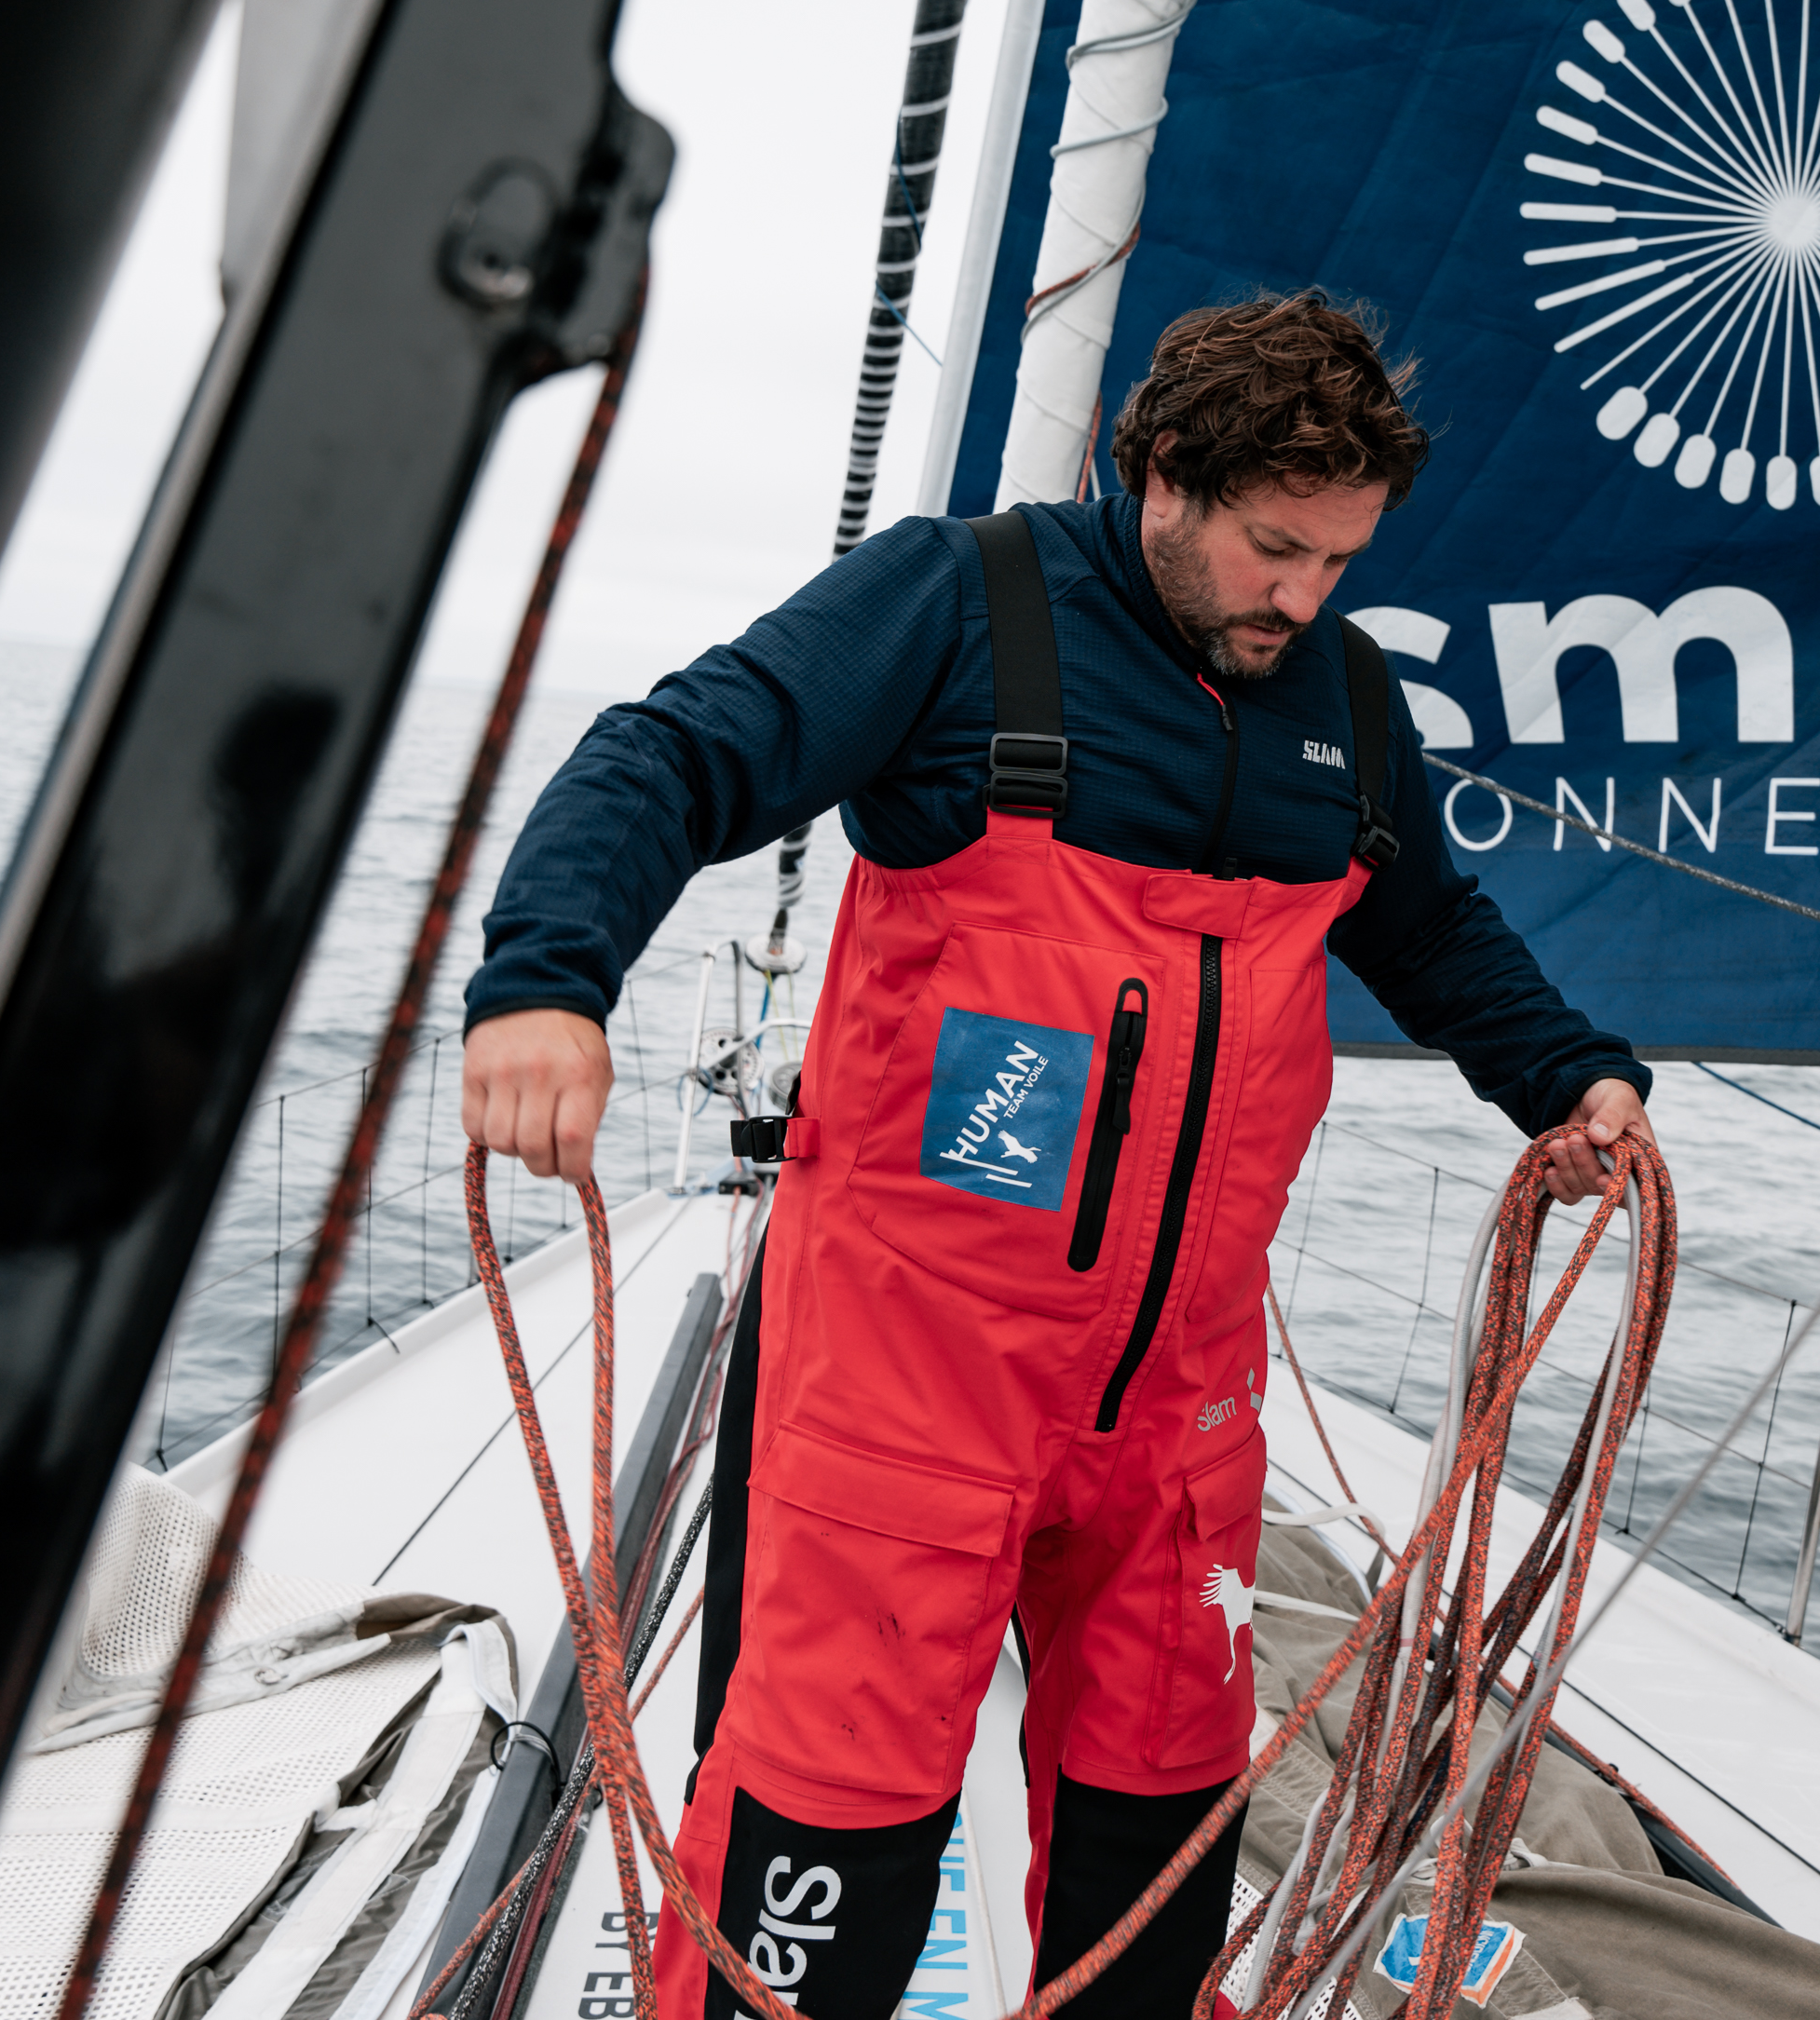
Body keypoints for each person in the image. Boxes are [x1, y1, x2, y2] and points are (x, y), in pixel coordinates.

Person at [459, 293, 1655, 2020]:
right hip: (904, 1385)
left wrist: (1570, 1078)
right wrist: (544, 986)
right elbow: (673, 752)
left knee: (1157, 1866)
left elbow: (1429, 927)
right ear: (1162, 474)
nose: (1301, 598)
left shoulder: (1342, 695)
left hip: (1175, 1418)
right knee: (827, 1869)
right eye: (1271, 549)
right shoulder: (958, 604)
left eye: (1337, 562)